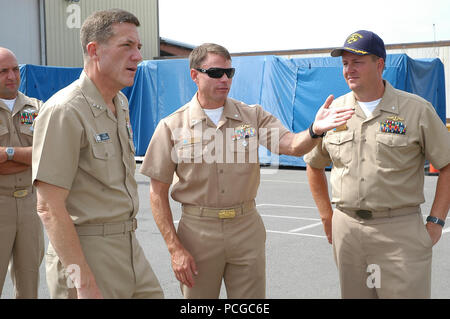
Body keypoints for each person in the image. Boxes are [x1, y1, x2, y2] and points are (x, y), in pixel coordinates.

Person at [140, 43, 354, 298]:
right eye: (216, 73)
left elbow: (292, 145)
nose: (225, 79)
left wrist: (314, 130)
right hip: (198, 232)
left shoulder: (252, 116)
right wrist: (175, 249)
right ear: (194, 75)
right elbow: (157, 192)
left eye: (229, 73)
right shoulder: (172, 125)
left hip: (246, 228)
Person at [304, 30, 450, 299]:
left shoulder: (416, 110)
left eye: (357, 62)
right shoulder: (334, 112)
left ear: (379, 64)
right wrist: (327, 217)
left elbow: (447, 164)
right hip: (348, 231)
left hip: (400, 232)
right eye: (345, 63)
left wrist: (436, 221)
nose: (349, 69)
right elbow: (313, 164)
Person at [32, 9, 163, 299]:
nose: (138, 56)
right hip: (86, 252)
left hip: (128, 246)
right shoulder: (65, 110)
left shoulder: (121, 104)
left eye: (138, 47)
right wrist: (84, 281)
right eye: (126, 46)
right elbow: (49, 207)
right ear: (94, 50)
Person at [0, 47, 44, 298]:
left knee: (29, 282)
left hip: (30, 203)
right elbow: (34, 155)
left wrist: (6, 154)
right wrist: (27, 156)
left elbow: (45, 154)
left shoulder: (36, 107)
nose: (12, 76)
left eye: (15, 69)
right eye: (3, 71)